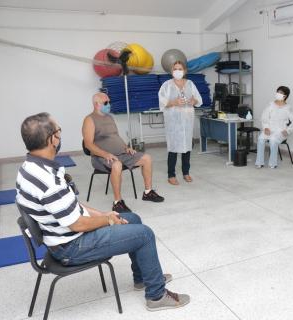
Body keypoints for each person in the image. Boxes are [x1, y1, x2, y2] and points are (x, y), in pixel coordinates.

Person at [16, 113, 190, 311]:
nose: (60, 135)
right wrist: (108, 221)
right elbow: (77, 224)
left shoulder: (28, 167)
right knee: (145, 234)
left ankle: (145, 278)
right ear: (51, 140)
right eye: (59, 131)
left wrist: (105, 214)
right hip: (71, 247)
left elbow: (72, 205)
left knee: (133, 218)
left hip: (64, 238)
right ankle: (156, 295)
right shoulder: (48, 182)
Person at [82, 93, 164, 213]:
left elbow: (116, 137)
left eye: (109, 102)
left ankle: (148, 192)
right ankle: (117, 202)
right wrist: (105, 154)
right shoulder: (89, 120)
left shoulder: (109, 117)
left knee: (146, 158)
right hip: (101, 157)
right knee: (117, 165)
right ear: (96, 104)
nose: (109, 105)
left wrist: (126, 148)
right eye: (106, 103)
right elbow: (88, 144)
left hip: (120, 154)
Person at [159, 61, 202, 185]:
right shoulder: (167, 85)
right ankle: (171, 174)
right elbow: (162, 101)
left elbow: (198, 99)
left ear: (184, 70)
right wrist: (174, 102)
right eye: (175, 69)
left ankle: (186, 172)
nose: (177, 71)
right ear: (172, 71)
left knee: (187, 147)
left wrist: (194, 101)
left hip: (187, 121)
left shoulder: (190, 84)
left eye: (180, 68)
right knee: (173, 147)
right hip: (173, 121)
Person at [255, 86, 293, 169]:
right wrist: (266, 128)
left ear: (285, 96)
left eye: (281, 93)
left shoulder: (288, 108)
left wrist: (288, 130)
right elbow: (264, 117)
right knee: (261, 139)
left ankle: (273, 163)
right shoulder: (271, 105)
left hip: (281, 130)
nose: (278, 94)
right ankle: (259, 162)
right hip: (269, 129)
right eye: (278, 92)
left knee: (273, 140)